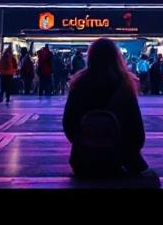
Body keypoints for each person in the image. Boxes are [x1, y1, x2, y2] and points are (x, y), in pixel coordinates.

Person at [61, 37, 150, 179]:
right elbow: (137, 132)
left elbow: (68, 123)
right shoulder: (125, 85)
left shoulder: (79, 84)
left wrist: (84, 142)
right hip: (117, 160)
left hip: (83, 159)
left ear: (90, 57)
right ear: (117, 57)